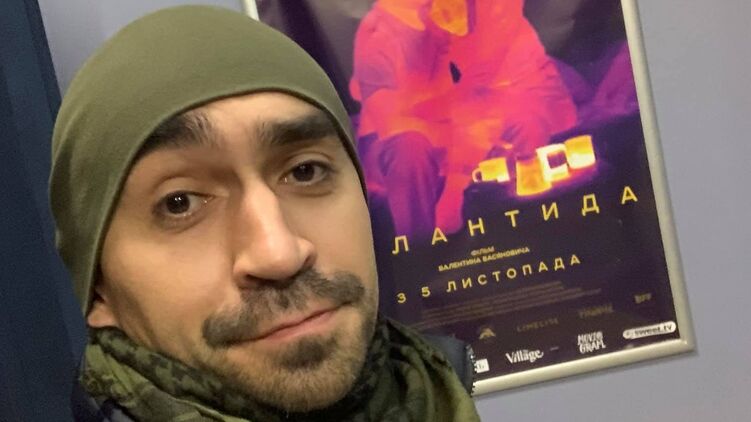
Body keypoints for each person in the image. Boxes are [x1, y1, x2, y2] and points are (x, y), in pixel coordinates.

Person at [50, 6, 480, 422]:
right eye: (180, 202)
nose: (279, 254)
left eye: (305, 171)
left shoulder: (441, 398)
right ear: (100, 291)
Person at [350, 0, 577, 240]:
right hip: (400, 142)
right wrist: (462, 132)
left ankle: (528, 234)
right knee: (411, 148)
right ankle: (420, 247)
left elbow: (477, 93)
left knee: (518, 121)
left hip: (456, 129)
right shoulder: (379, 35)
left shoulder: (457, 22)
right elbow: (391, 124)